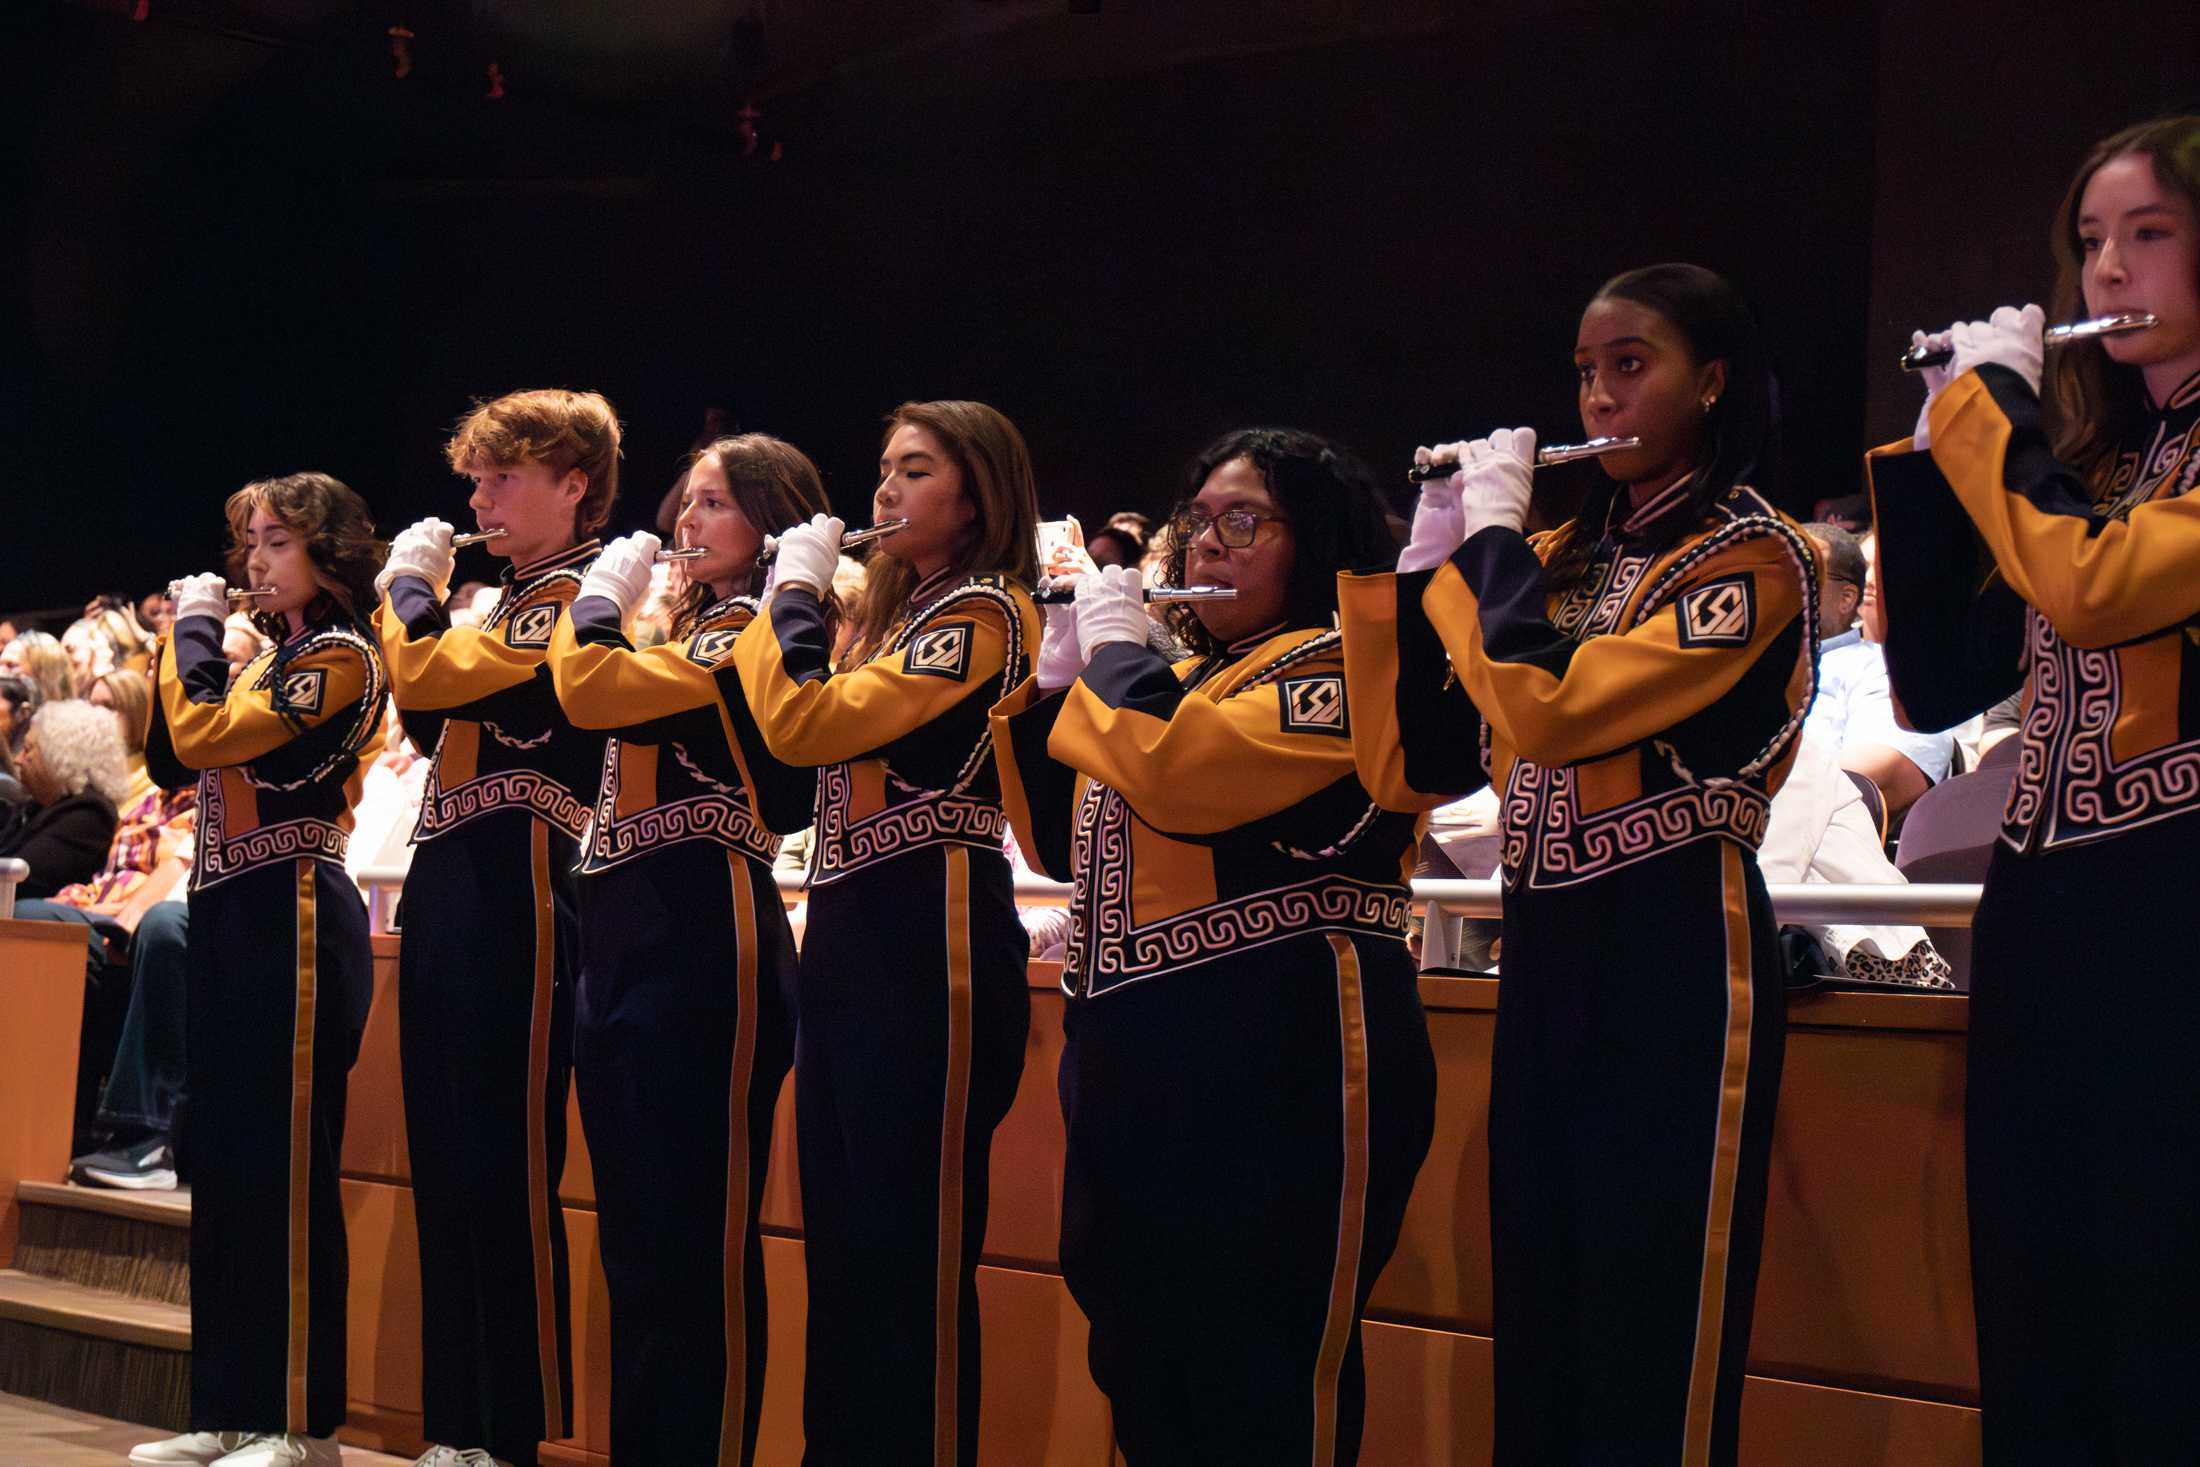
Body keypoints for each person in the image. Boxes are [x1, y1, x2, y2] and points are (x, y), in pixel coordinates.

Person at [1339, 262, 1818, 1464]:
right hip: (1544, 939)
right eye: (1584, 372)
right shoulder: (1556, 555)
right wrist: (1425, 570)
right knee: (1541, 1309)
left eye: (1629, 364)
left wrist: (1492, 553)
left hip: (1674, 940)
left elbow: (1551, 709)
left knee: (1651, 1322)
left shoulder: (1754, 558)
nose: (1598, 398)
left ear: (1709, 382)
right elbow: (1416, 767)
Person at [992, 427, 1435, 1465]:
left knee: (1262, 1380)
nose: (1207, 546)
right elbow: (1062, 840)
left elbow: (1183, 776)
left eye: (1245, 522)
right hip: (1137, 1057)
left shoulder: (1337, 665)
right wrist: (1053, 686)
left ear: (1314, 540)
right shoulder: (1179, 671)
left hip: (1282, 1050)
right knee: (1144, 1367)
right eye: (1199, 522)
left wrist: (1111, 660)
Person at [1867, 113, 2200, 1462]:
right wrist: (1947, 449)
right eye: (2088, 243)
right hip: (2052, 910)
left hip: (2176, 913)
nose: (2105, 271)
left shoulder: (2099, 492)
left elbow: (2095, 583)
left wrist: (1992, 424)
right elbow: (1942, 685)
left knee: (2160, 1314)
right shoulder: (2102, 464)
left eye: (2150, 234)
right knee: (2040, 1305)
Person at [730, 399, 1040, 1465]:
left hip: (934, 930)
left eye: (914, 471)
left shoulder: (989, 613)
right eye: (883, 469)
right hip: (855, 924)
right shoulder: (903, 619)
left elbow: (806, 719)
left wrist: (795, 596)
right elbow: (788, 752)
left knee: (912, 1251)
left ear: (976, 493)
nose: (884, 492)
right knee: (846, 1246)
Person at [544, 435, 826, 1465]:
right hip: (621, 925)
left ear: (772, 522)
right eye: (685, 504)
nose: (685, 523)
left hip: (707, 928)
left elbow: (587, 692)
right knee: (635, 1243)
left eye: (715, 504)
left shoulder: (749, 630)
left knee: (694, 1241)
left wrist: (595, 604)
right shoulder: (694, 626)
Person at [374, 388, 619, 1467]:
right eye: (474, 478)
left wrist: (409, 593)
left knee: (503, 1158)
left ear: (574, 485)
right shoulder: (502, 600)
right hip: (450, 866)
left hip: (525, 875)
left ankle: (506, 1431)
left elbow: (425, 670)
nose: (480, 497)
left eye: (503, 476)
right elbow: (426, 714)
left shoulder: (581, 593)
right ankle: (453, 1428)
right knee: (444, 1150)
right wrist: (424, 606)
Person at [127, 471, 389, 1467]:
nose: (254, 559)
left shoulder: (343, 657)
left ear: (327, 551)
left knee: (285, 1172)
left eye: (276, 540)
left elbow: (201, 735)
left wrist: (194, 640)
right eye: (250, 542)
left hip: (296, 915)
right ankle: (225, 1407)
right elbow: (168, 760)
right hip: (232, 910)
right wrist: (179, 643)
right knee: (227, 1162)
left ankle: (297, 1421)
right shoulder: (264, 658)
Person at [1801, 523, 1952, 817]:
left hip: (1802, 836)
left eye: (1802, 573)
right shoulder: (1728, 667)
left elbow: (1879, 777)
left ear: (1846, 598)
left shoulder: (1883, 669)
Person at [0, 700, 128, 898]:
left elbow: (22, 879)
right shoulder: (37, 804)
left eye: (28, 749)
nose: (17, 759)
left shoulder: (89, 814)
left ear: (60, 757)